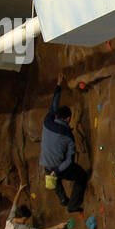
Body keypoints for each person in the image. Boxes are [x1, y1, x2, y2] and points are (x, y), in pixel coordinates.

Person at [41, 73, 89, 213]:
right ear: (68, 119)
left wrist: (58, 86)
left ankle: (62, 198)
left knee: (52, 174)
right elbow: (69, 160)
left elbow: (53, 105)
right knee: (81, 176)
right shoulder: (68, 136)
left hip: (45, 164)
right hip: (57, 168)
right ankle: (73, 205)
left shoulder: (47, 121)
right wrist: (58, 170)